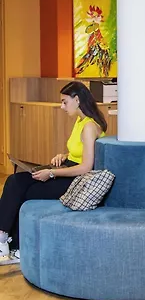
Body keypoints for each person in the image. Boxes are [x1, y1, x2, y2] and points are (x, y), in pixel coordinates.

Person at [0, 81, 106, 261]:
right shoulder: (80, 121)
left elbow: (86, 166)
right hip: (68, 168)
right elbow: (79, 152)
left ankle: (14, 245)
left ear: (77, 100)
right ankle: (4, 238)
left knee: (27, 191)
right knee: (15, 181)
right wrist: (63, 156)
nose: (62, 106)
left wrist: (51, 173)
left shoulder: (89, 127)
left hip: (77, 179)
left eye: (65, 102)